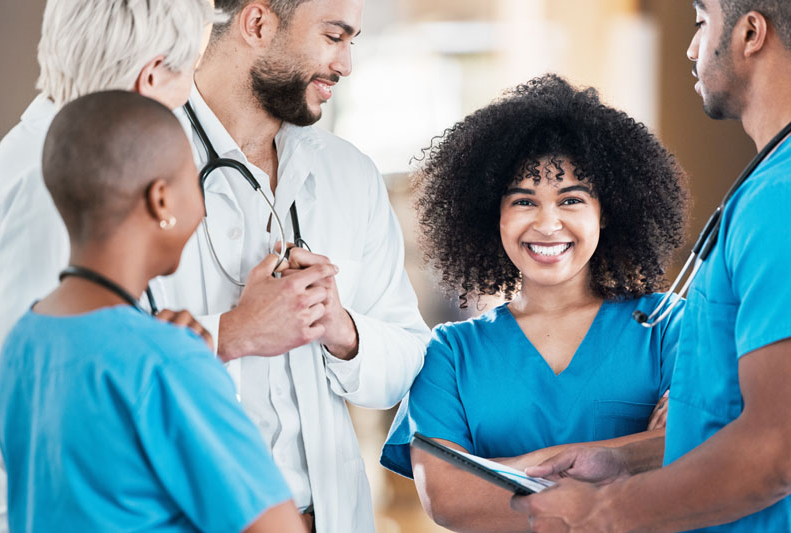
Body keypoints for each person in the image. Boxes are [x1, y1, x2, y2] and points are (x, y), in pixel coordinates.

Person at [148, 1, 429, 531]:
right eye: (333, 37)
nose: (346, 64)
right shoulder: (138, 159)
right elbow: (95, 361)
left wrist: (343, 331)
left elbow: (406, 357)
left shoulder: (351, 175)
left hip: (327, 516)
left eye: (352, 42)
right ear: (257, 24)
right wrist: (234, 332)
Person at [513, 1, 791, 532]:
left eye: (700, 22)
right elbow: (725, 415)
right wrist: (623, 463)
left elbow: (776, 450)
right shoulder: (766, 188)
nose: (689, 47)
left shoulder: (781, 199)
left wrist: (602, 513)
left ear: (751, 32)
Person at [379, 74, 689, 532]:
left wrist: (502, 469)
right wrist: (632, 454)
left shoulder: (667, 326)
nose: (547, 223)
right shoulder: (450, 353)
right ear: (493, 215)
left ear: (608, 212)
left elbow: (701, 452)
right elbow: (450, 498)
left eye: (572, 200)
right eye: (524, 201)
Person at [0, 90, 306, 532]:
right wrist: (195, 372)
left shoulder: (23, 343)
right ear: (161, 201)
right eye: (192, 182)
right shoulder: (168, 363)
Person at [0, 2, 218, 529]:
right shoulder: (51, 190)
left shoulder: (43, 158)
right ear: (151, 77)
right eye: (188, 77)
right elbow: (42, 399)